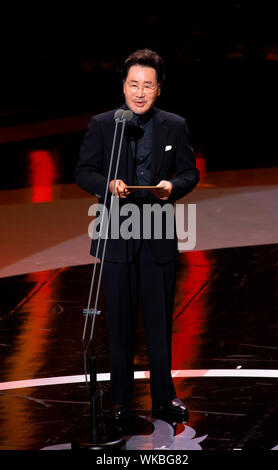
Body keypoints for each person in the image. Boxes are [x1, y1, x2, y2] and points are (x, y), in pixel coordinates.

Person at [75, 49, 199, 422]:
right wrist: (107, 186)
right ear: (124, 86)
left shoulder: (174, 126)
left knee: (159, 319)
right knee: (120, 322)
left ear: (159, 88)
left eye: (147, 85)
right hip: (116, 230)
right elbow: (83, 171)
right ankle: (120, 397)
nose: (139, 92)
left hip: (157, 231)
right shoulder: (103, 124)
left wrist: (171, 187)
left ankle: (164, 396)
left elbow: (189, 174)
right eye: (133, 85)